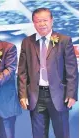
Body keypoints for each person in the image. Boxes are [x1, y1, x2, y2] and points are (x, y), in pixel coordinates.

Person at [18, 8, 78, 138]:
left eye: (45, 20)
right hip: (36, 95)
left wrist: (71, 94)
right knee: (38, 134)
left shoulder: (64, 40)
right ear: (33, 23)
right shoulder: (27, 42)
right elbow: (22, 72)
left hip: (59, 96)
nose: (42, 24)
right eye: (38, 21)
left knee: (62, 133)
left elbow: (72, 70)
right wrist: (23, 95)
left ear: (52, 21)